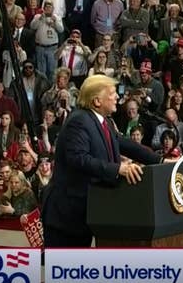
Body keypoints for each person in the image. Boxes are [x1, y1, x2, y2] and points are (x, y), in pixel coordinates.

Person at [42, 75, 176, 247]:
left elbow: (124, 144)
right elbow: (78, 158)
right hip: (66, 217)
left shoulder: (102, 122)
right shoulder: (79, 121)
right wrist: (117, 169)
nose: (118, 97)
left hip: (84, 214)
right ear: (97, 101)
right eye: (112, 93)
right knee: (65, 270)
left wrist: (160, 160)